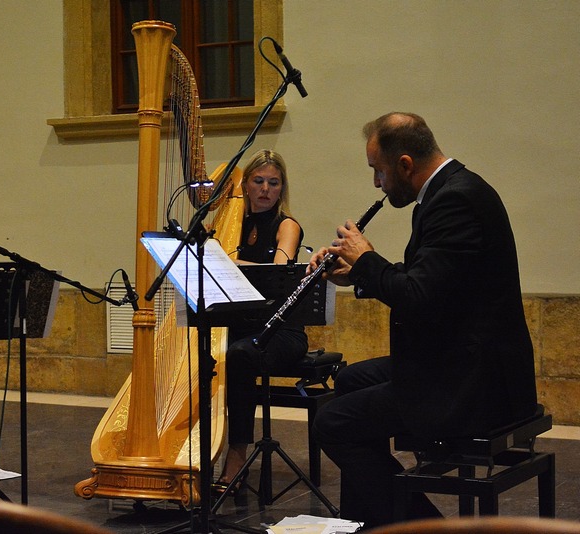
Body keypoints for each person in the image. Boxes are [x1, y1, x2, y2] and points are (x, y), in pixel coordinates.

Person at [309, 112, 537, 527]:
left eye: (377, 172)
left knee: (332, 423)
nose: (376, 184)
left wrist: (367, 260)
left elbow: (417, 297)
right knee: (348, 380)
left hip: (477, 385)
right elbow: (435, 284)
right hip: (464, 362)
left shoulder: (455, 200)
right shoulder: (452, 191)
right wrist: (357, 274)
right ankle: (376, 520)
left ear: (405, 165)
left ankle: (419, 524)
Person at [213, 149, 308, 498]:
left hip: (282, 331)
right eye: (258, 181)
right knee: (200, 355)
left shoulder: (287, 225)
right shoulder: (230, 227)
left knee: (239, 356)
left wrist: (228, 261)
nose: (266, 189)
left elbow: (279, 271)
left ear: (282, 189)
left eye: (274, 182)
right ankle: (193, 453)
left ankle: (237, 454)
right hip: (241, 326)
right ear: (245, 186)